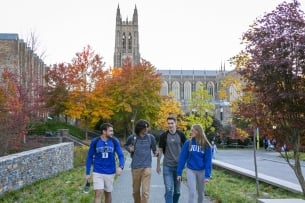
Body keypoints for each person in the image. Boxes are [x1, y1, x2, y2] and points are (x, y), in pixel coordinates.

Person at [85, 123, 125, 203]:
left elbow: (121, 155)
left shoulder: (114, 141)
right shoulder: (95, 141)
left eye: (112, 131)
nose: (112, 133)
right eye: (110, 131)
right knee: (98, 193)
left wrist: (121, 166)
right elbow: (89, 157)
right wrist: (87, 173)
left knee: (108, 193)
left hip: (110, 172)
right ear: (104, 131)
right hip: (98, 171)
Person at [124, 119, 158, 203]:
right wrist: (129, 149)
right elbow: (126, 145)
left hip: (147, 167)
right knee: (135, 192)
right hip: (135, 167)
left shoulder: (151, 138)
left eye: (147, 127)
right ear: (140, 128)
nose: (147, 129)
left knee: (145, 192)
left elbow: (154, 150)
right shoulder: (132, 137)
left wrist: (156, 153)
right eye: (145, 128)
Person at [177, 124, 212, 203]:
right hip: (191, 170)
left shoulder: (206, 145)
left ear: (198, 132)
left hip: (202, 171)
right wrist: (179, 172)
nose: (191, 132)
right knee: (192, 192)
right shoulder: (188, 143)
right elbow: (182, 158)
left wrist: (207, 175)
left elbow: (208, 161)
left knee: (201, 193)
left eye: (192, 130)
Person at [157, 116, 186, 203]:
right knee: (169, 189)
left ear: (175, 123)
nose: (170, 125)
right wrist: (158, 165)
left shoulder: (181, 135)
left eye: (172, 123)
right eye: (168, 123)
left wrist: (186, 163)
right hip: (167, 167)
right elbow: (160, 150)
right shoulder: (163, 136)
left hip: (178, 167)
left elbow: (186, 150)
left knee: (177, 192)